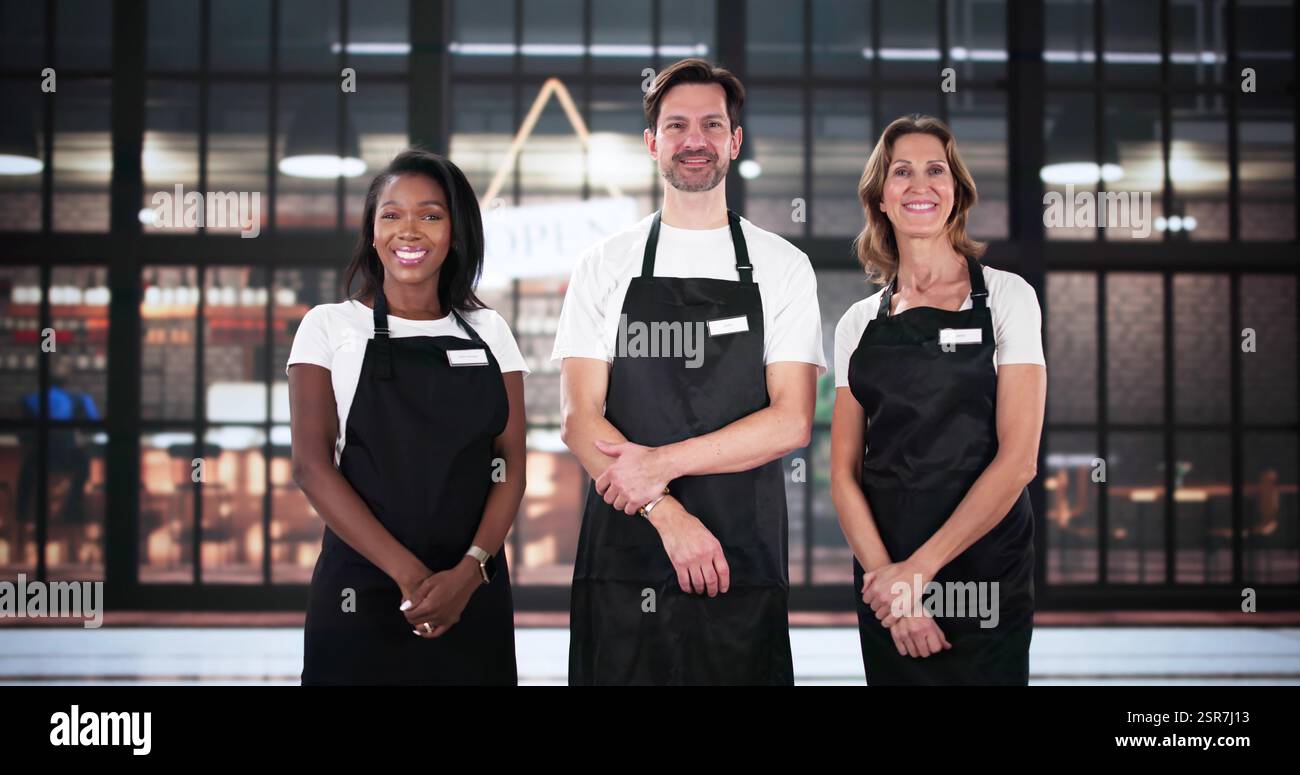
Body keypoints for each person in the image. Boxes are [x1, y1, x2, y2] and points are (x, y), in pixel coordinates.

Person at [554, 58, 826, 685]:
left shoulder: (781, 265)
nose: (694, 140)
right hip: (627, 550)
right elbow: (578, 419)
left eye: (711, 124)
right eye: (676, 125)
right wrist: (666, 513)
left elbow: (790, 422)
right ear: (653, 144)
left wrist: (661, 465)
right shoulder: (606, 263)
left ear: (734, 141)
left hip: (739, 555)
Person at [287, 149, 529, 685]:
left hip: (473, 587)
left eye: (431, 214)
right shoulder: (328, 327)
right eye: (391, 215)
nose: (409, 231)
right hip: (363, 588)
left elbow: (509, 467)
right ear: (372, 232)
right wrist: (414, 580)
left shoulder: (490, 332)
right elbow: (311, 467)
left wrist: (469, 573)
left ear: (457, 232)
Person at [830, 115, 1046, 685]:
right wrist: (891, 587)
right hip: (886, 567)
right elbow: (844, 475)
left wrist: (918, 574)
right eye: (902, 171)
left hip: (984, 566)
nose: (920, 184)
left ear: (956, 192)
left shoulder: (1007, 298)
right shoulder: (857, 323)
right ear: (880, 196)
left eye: (936, 171)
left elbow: (1019, 459)